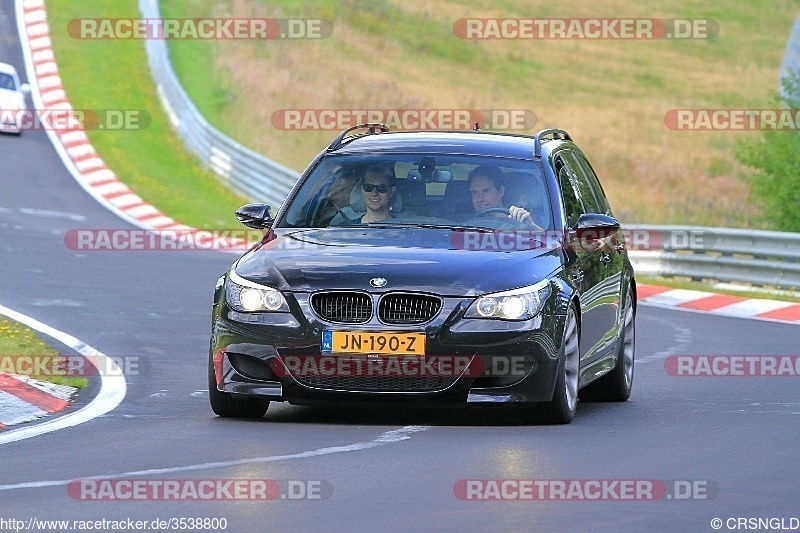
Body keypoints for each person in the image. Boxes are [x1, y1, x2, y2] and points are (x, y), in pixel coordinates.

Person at [467, 166, 539, 228]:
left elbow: (545, 238)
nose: (480, 199)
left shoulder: (517, 221)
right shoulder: (461, 223)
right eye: (475, 192)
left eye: (486, 191)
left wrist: (531, 226)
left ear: (501, 191)